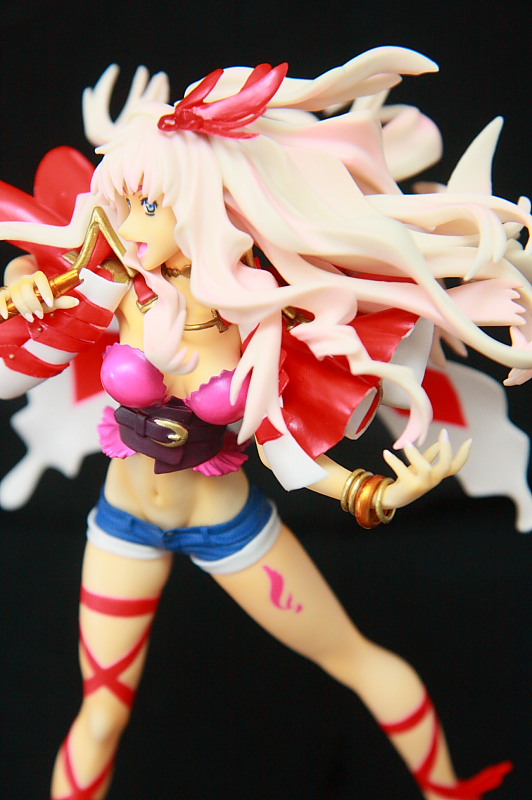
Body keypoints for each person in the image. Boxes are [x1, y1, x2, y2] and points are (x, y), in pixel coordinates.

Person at [0, 46, 530, 799]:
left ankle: (450, 790)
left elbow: (288, 450)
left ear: (200, 205)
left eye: (149, 204)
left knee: (354, 659)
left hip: (230, 531)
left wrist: (382, 492)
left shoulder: (256, 319)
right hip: (123, 524)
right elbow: (36, 265)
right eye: (127, 200)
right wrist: (19, 285)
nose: (129, 221)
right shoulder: (114, 281)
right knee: (101, 715)